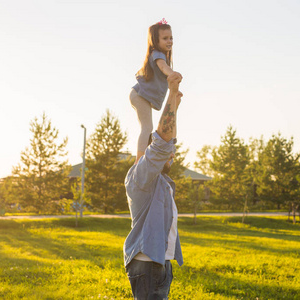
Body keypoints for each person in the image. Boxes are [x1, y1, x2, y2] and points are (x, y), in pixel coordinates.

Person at [124, 72, 184, 299]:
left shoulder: (161, 181)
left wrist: (174, 106)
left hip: (159, 262)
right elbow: (162, 143)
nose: (172, 155)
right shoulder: (141, 176)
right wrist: (170, 93)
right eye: (169, 152)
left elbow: (167, 140)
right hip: (147, 265)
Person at [130, 18, 183, 164]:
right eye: (165, 38)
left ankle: (146, 154)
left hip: (141, 96)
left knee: (148, 127)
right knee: (147, 127)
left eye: (171, 38)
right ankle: (139, 160)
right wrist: (171, 73)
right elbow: (162, 67)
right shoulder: (157, 54)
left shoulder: (163, 55)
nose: (169, 41)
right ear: (155, 40)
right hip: (139, 95)